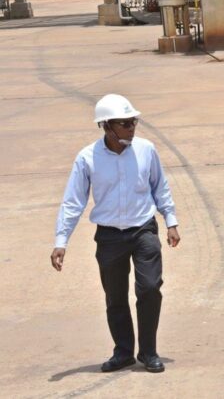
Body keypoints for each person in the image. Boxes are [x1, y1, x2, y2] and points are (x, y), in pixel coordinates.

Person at [50, 94, 180, 373]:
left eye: (134, 122)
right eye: (124, 123)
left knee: (150, 289)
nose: (132, 128)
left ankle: (148, 351)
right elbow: (73, 201)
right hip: (109, 236)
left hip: (143, 229)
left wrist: (171, 221)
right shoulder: (87, 158)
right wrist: (61, 241)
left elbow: (160, 187)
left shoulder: (146, 150)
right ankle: (123, 352)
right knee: (115, 297)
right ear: (106, 126)